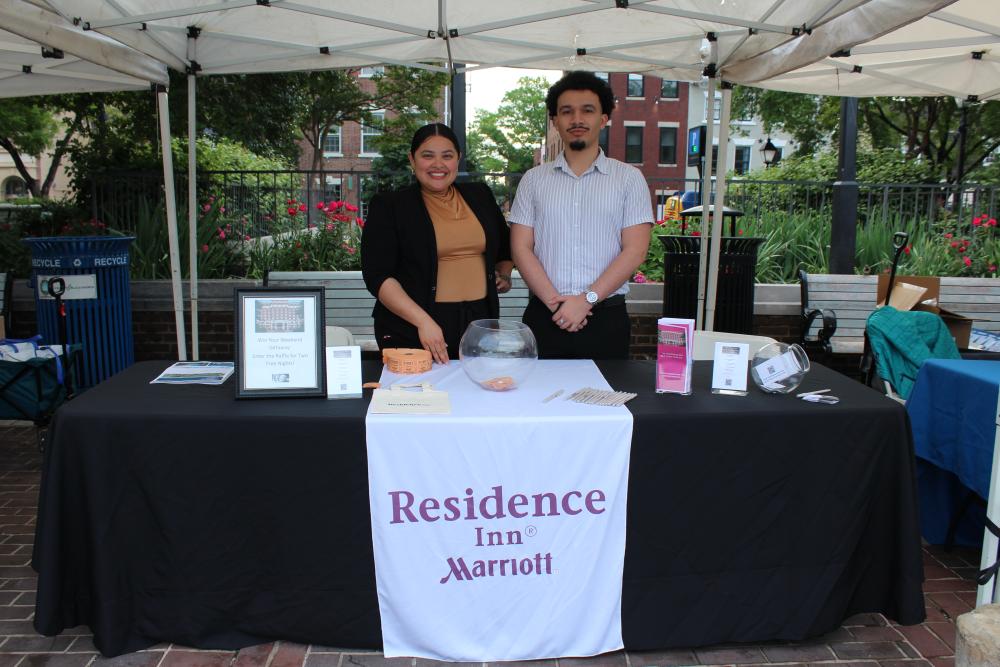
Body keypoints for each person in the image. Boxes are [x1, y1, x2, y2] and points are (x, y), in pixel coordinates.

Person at [509, 71, 653, 359]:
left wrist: (586, 300)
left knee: (608, 389)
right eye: (567, 111)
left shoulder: (629, 179)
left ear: (603, 118)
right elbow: (521, 248)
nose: (577, 119)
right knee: (534, 390)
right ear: (555, 120)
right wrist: (558, 305)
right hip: (545, 316)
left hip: (606, 319)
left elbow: (635, 250)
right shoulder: (533, 180)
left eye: (587, 110)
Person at [361, 123, 513, 364]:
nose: (438, 164)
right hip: (415, 327)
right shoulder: (390, 206)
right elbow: (378, 276)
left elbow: (506, 246)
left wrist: (504, 275)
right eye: (428, 155)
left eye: (447, 156)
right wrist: (423, 322)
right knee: (419, 389)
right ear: (412, 159)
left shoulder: (480, 195)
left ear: (458, 159)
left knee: (479, 387)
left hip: (478, 323)